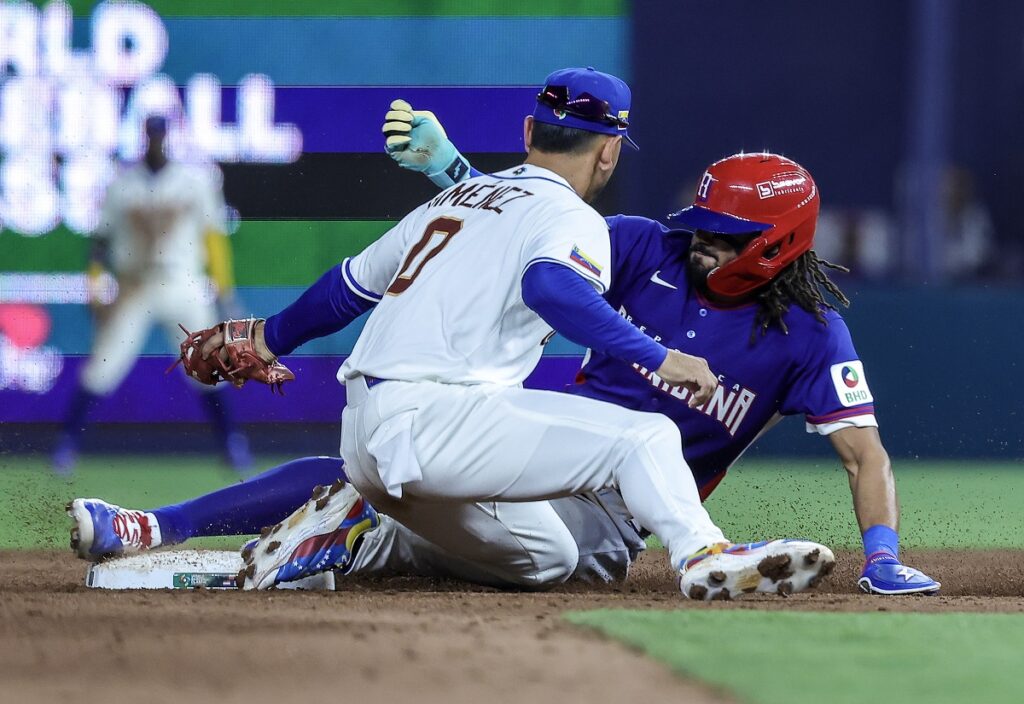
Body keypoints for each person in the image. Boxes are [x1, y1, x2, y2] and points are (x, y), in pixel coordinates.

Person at [69, 68, 835, 602]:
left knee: (551, 558)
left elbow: (346, 289)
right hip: (443, 418)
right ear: (609, 152)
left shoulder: (462, 198)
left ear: (531, 129)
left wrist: (270, 338)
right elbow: (548, 284)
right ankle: (703, 557)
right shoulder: (575, 221)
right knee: (643, 437)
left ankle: (333, 532)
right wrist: (661, 355)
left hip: (369, 430)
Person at [52, 116, 252, 475]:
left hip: (184, 284)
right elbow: (99, 243)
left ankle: (231, 443)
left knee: (208, 368)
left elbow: (214, 239)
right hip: (137, 286)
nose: (156, 140)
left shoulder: (194, 181)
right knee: (103, 366)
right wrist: (95, 286)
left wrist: (224, 290)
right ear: (144, 136)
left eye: (160, 134)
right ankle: (67, 443)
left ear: (167, 137)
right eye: (151, 134)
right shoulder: (122, 184)